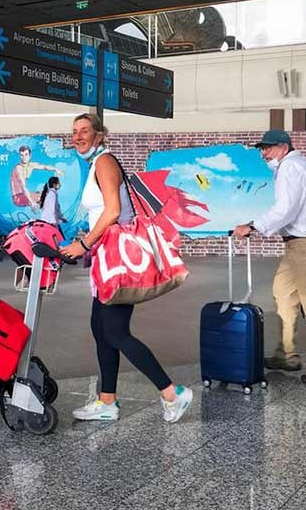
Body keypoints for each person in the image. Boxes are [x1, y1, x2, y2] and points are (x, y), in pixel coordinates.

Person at [59, 113, 193, 422]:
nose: (78, 136)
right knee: (101, 329)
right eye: (74, 131)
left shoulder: (105, 162)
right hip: (106, 258)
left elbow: (114, 211)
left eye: (84, 131)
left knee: (116, 333)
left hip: (116, 259)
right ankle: (107, 402)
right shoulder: (97, 164)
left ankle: (172, 392)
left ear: (99, 135)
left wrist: (84, 244)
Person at [232, 130, 306, 387]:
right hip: (300, 245)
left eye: (268, 148)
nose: (263, 153)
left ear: (283, 147)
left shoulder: (290, 168)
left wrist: (253, 226)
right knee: (283, 294)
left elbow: (286, 209)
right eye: (262, 148)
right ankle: (287, 354)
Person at [10, 145, 63, 213]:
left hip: (24, 195)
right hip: (18, 198)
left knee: (46, 194)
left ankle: (54, 215)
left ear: (30, 155)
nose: (24, 158)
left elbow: (44, 167)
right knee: (43, 197)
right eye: (21, 155)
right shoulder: (18, 169)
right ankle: (49, 215)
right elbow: (23, 187)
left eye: (26, 155)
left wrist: (56, 169)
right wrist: (32, 202)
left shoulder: (31, 165)